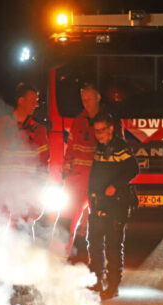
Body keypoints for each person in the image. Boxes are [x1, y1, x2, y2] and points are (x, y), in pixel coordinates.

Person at [0, 83, 49, 238]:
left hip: (26, 193)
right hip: (1, 191)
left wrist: (38, 189)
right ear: (21, 101)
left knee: (23, 236)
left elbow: (44, 164)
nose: (36, 104)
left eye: (37, 100)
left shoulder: (38, 131)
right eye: (32, 100)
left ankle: (24, 261)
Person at [87, 112, 139, 301]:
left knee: (113, 246)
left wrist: (115, 185)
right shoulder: (100, 148)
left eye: (102, 130)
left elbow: (133, 168)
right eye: (96, 131)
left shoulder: (120, 147)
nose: (99, 134)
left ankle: (113, 285)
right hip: (99, 202)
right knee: (94, 243)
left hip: (117, 203)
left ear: (110, 129)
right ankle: (95, 281)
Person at [53, 83, 101, 258]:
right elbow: (71, 148)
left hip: (98, 182)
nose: (85, 102)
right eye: (83, 99)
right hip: (76, 182)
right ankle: (56, 262)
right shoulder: (78, 121)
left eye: (89, 99)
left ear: (98, 98)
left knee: (99, 227)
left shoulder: (107, 121)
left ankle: (97, 268)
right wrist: (66, 174)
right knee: (64, 222)